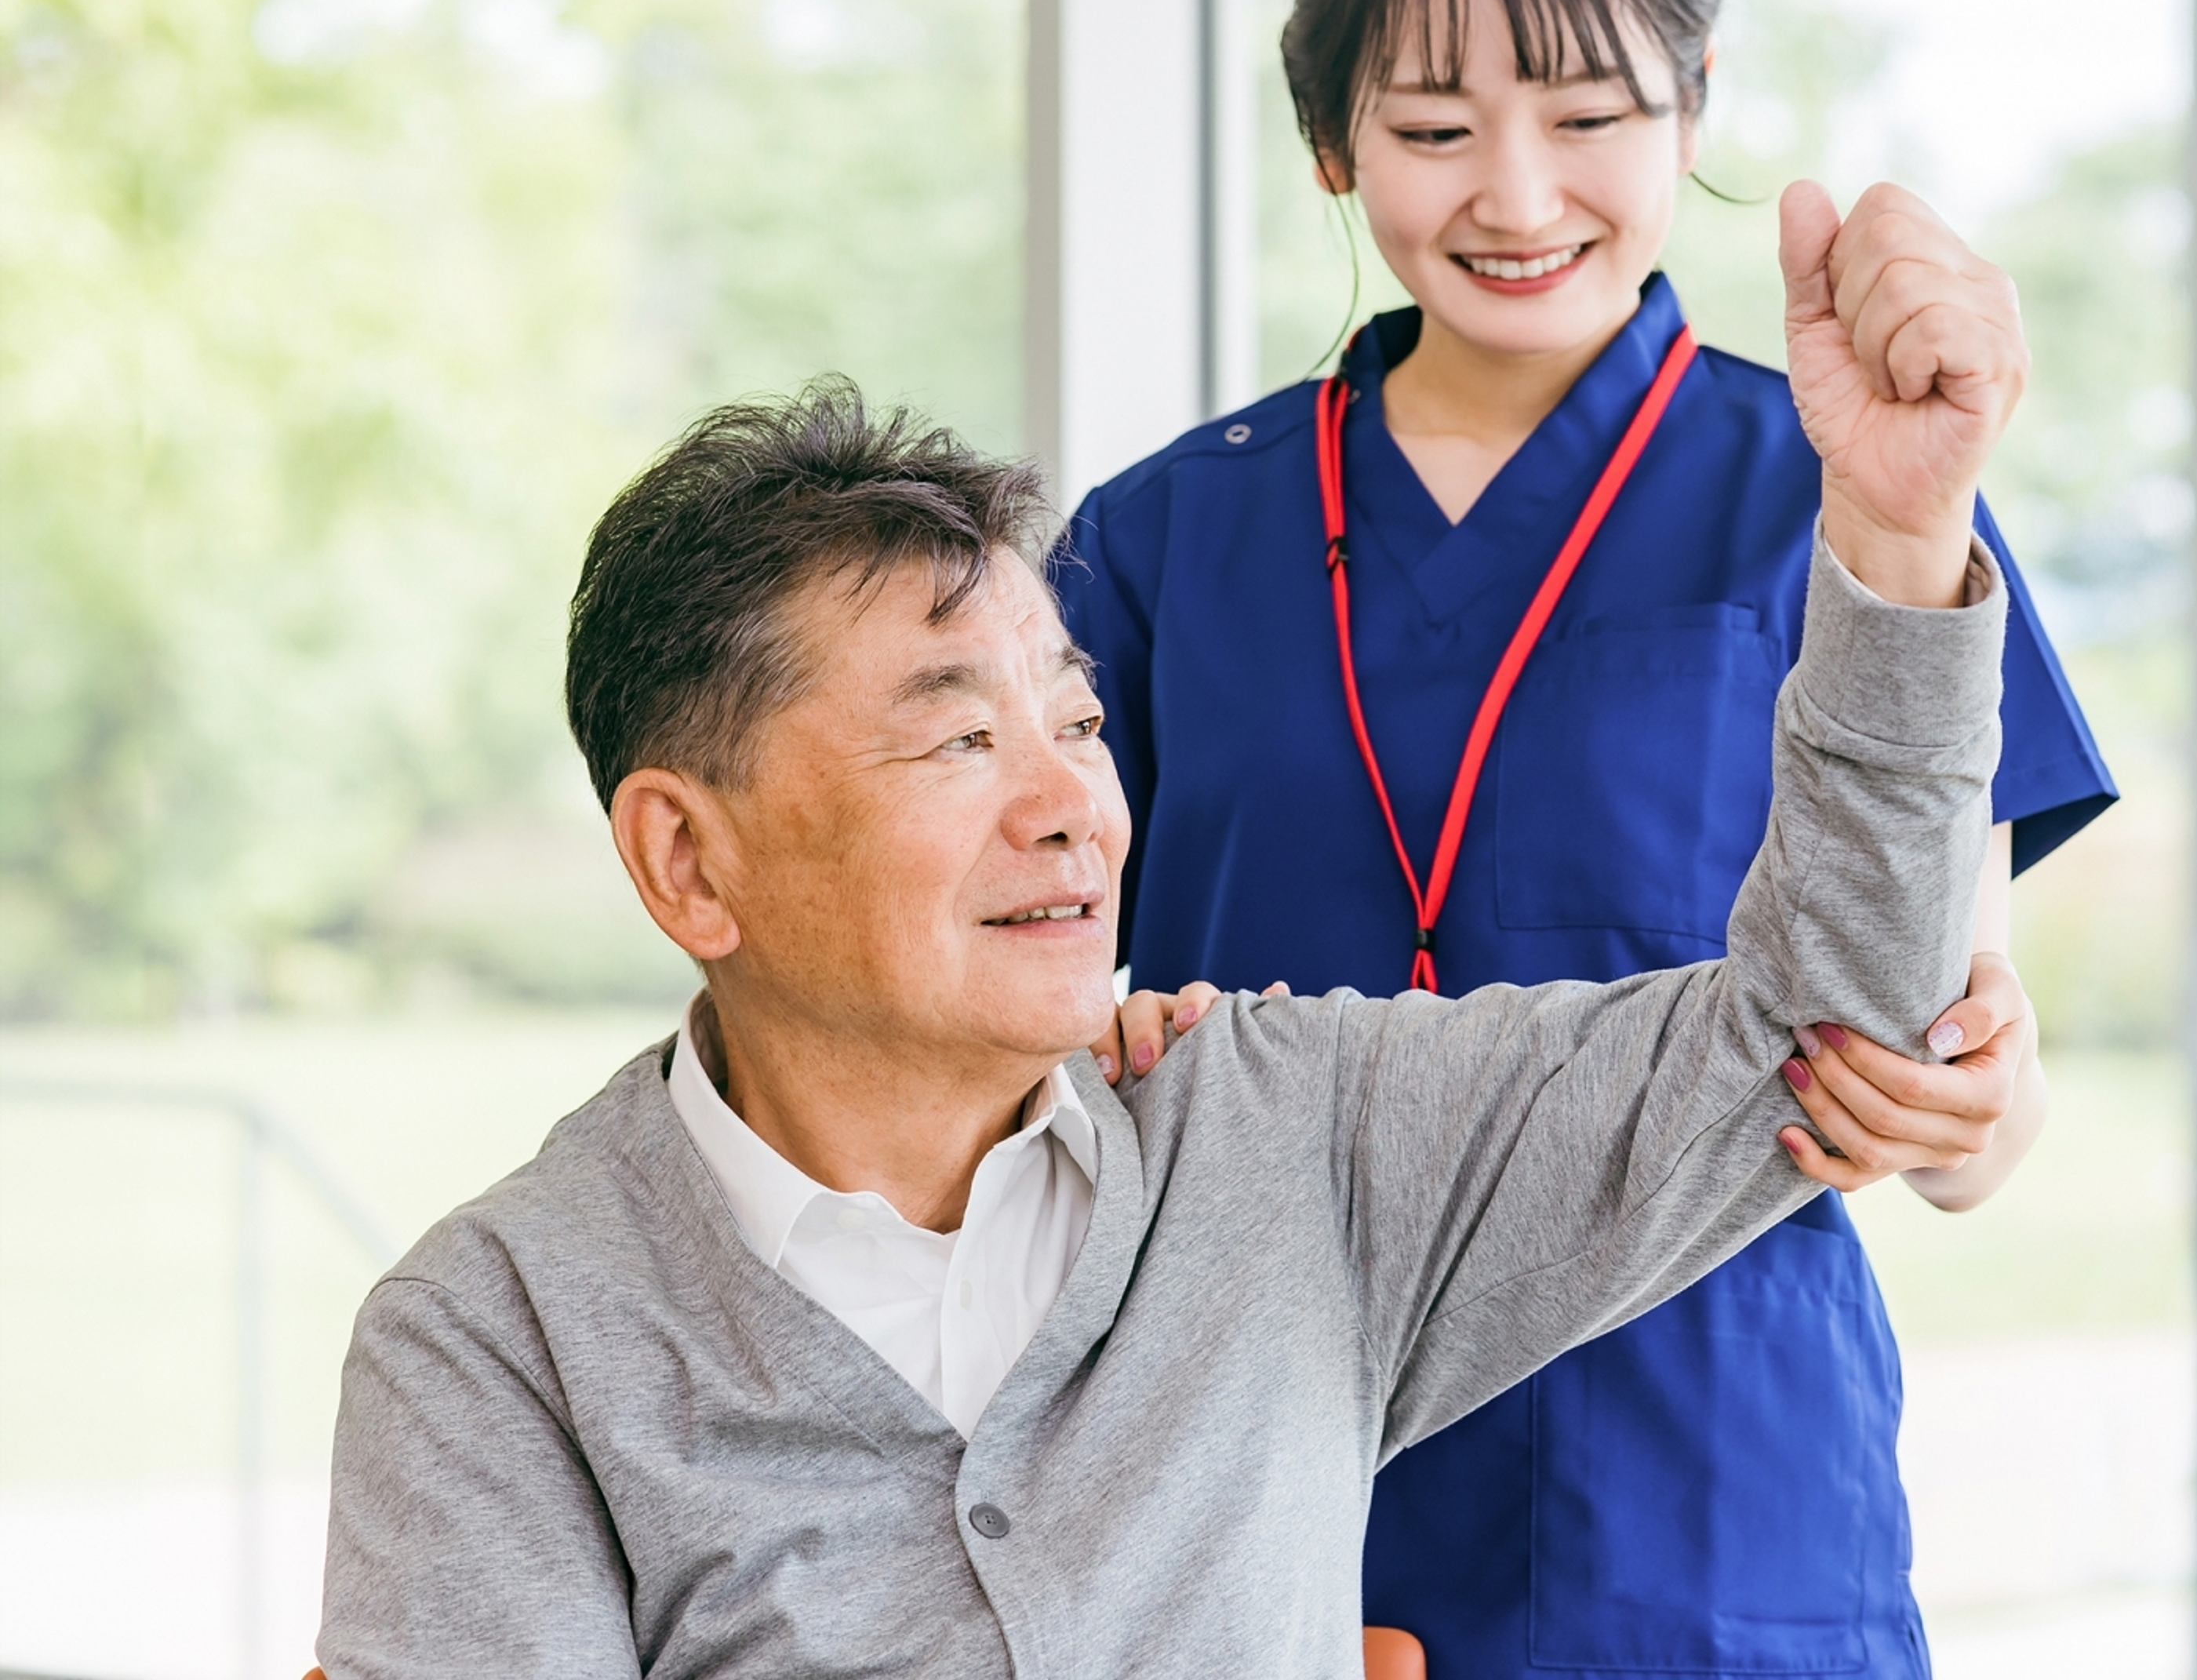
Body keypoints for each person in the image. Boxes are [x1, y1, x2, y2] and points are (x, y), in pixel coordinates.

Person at [313, 136, 2031, 1676]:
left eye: (1075, 718)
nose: (1073, 806)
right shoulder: (499, 1338)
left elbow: (1815, 1032)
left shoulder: (1282, 1144)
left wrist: (1896, 527)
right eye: (962, 736)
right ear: (690, 860)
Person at [1055, 0, 2113, 1679]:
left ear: (1693, 103)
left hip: (1708, 1501)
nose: (1519, 197)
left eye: (1591, 116)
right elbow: (1017, 1028)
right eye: (1434, 128)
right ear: (1326, 141)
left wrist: (1965, 1105)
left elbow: (1974, 1090)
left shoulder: (1855, 495)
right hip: (1270, 1477)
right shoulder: (1156, 542)